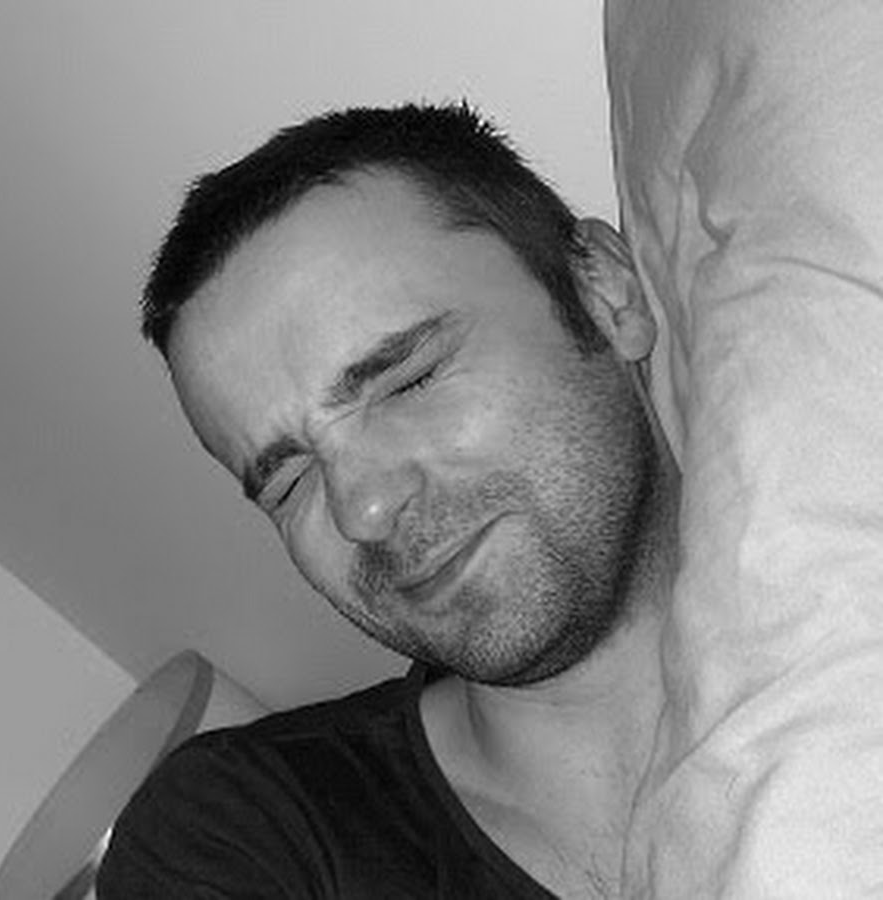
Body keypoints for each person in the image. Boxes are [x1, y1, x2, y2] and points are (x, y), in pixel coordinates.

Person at [97, 102, 680, 899]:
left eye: (408, 381)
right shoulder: (244, 830)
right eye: (288, 482)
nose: (362, 511)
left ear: (605, 292)